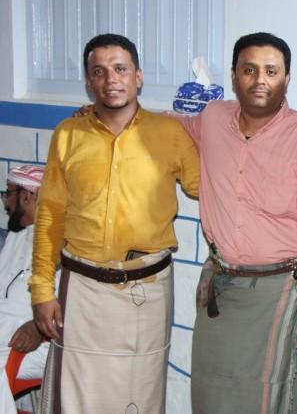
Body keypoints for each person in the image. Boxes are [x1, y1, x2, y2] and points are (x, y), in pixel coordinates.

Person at [30, 33, 200, 413]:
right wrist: (41, 289)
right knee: (77, 399)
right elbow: (50, 214)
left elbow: (206, 186)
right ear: (88, 82)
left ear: (138, 76)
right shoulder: (68, 135)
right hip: (82, 289)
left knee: (138, 397)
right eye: (99, 71)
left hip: (146, 292)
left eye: (121, 69)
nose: (111, 80)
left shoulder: (170, 134)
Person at [175, 32, 297, 414]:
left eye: (271, 71)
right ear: (234, 76)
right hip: (220, 286)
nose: (259, 80)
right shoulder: (213, 119)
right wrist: (104, 112)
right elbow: (167, 127)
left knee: (272, 397)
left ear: (287, 78)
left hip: (282, 290)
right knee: (211, 393)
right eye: (249, 70)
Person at [1, 165, 48, 414]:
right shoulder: (17, 235)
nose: (5, 203)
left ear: (27, 196)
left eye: (8, 194)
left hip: (36, 343)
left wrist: (38, 328)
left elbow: (74, 305)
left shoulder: (62, 241)